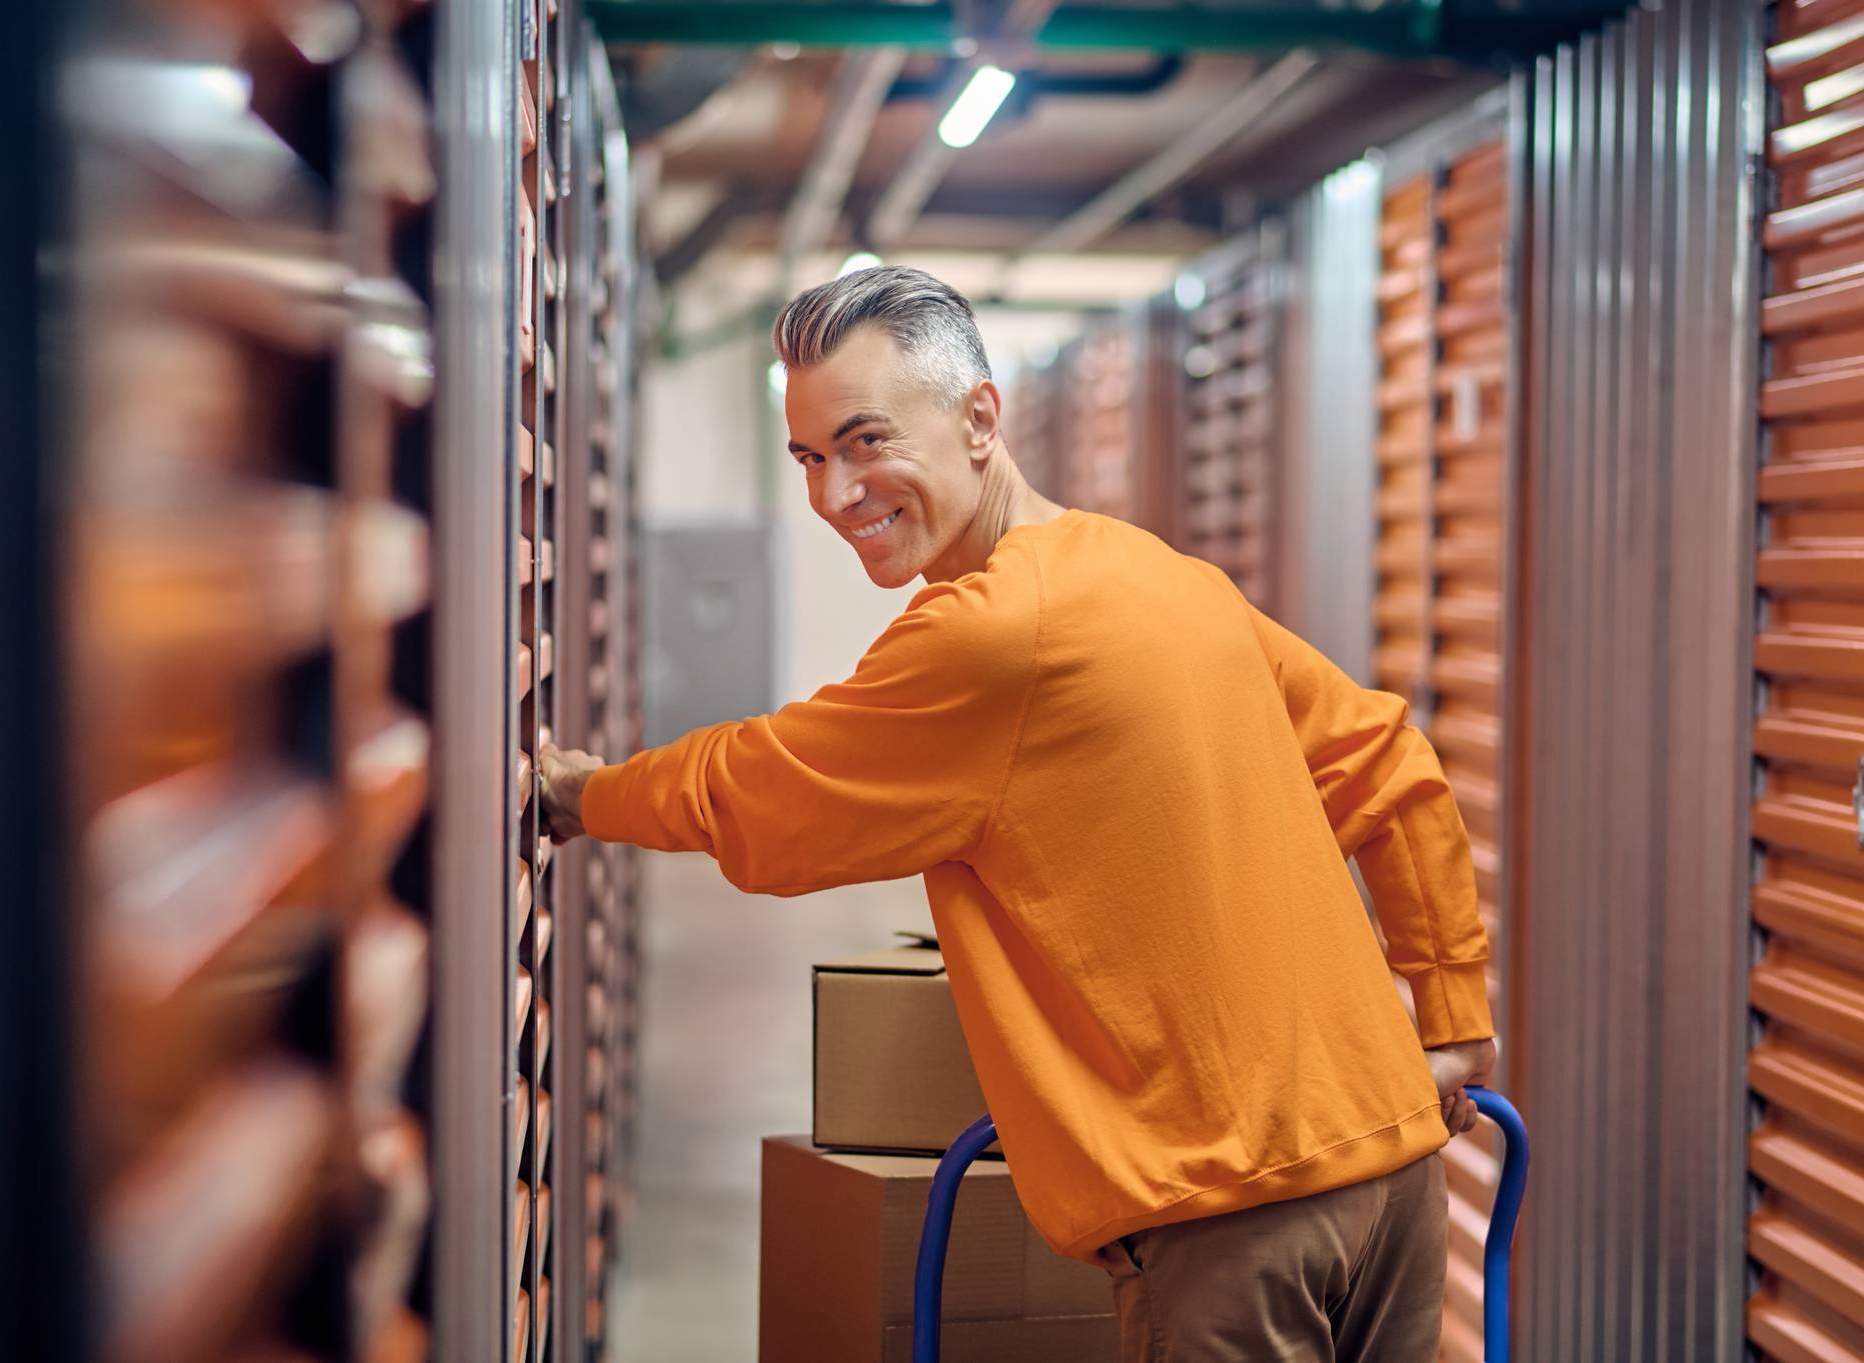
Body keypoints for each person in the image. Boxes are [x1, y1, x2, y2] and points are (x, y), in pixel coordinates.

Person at [539, 265, 1496, 1362]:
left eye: (864, 442)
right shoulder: (1161, 575)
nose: (832, 494)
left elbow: (762, 790)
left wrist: (584, 794)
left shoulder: (985, 634)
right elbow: (1391, 760)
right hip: (1392, 1167)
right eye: (809, 457)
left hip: (1231, 1213)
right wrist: (1451, 1014)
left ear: (979, 418)